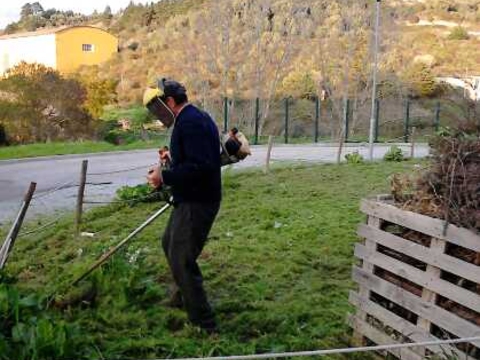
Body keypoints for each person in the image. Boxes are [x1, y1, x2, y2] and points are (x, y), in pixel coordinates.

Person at [146, 79, 221, 333]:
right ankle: (182, 296)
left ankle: (204, 323)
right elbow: (194, 158)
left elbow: (201, 167)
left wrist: (163, 177)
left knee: (182, 257)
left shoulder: (190, 123)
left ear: (169, 102)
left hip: (197, 200)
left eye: (157, 109)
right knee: (169, 243)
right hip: (189, 197)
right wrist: (171, 160)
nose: (157, 116)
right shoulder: (191, 118)